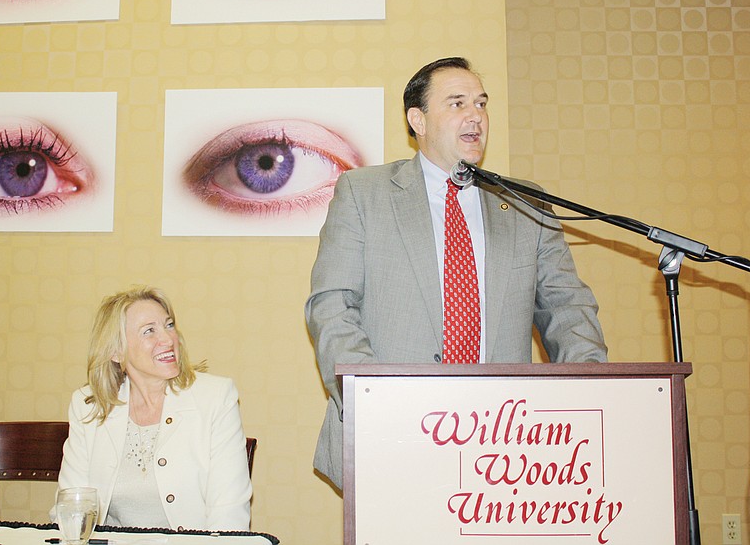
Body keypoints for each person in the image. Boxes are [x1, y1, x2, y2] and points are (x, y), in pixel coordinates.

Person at [304, 57, 608, 490]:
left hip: (505, 441)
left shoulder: (525, 204)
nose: (475, 117)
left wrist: (587, 395)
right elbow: (332, 306)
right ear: (418, 120)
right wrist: (372, 397)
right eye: (457, 103)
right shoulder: (364, 193)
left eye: (481, 104)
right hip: (394, 430)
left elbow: (568, 307)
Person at [57, 286, 252, 531]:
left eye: (169, 325)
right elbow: (71, 506)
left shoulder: (215, 398)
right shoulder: (88, 405)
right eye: (149, 331)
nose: (168, 339)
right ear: (116, 351)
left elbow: (229, 514)